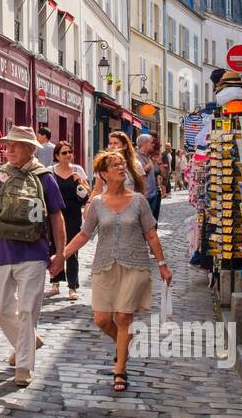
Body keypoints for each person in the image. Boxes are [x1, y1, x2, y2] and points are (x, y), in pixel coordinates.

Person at [63, 150, 172, 392]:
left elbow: (151, 235)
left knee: (124, 317)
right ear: (103, 173)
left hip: (135, 265)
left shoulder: (139, 201)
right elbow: (84, 234)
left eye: (122, 164)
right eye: (115, 165)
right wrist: (62, 255)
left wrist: (163, 265)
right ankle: (124, 342)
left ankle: (120, 370)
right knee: (102, 319)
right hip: (104, 266)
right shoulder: (97, 205)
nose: (121, 168)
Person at [0, 126, 65, 388]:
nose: (8, 151)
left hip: (34, 251)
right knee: (0, 307)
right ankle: (28, 340)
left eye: (15, 146)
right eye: (7, 146)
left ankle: (24, 366)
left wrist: (61, 253)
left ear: (30, 149)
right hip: (2, 251)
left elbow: (56, 217)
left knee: (27, 310)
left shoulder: (45, 178)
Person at [47, 141, 90, 301]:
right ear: (57, 155)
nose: (68, 155)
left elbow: (87, 192)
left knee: (72, 249)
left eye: (70, 152)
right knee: (55, 248)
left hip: (72, 214)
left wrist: (81, 181)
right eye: (64, 153)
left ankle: (72, 287)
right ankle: (55, 283)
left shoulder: (78, 170)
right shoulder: (50, 171)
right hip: (55, 214)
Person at [136, 133, 162, 221]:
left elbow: (158, 172)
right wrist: (144, 170)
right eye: (151, 142)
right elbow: (134, 176)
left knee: (152, 223)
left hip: (153, 195)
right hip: (144, 196)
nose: (153, 144)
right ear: (145, 144)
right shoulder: (136, 158)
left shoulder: (149, 157)